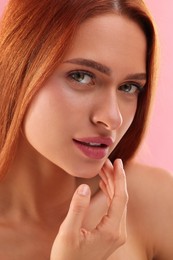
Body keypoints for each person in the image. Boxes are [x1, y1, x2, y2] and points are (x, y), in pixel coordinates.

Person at [0, 0, 173, 259]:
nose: (112, 118)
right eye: (81, 76)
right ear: (18, 67)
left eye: (128, 87)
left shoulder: (154, 203)